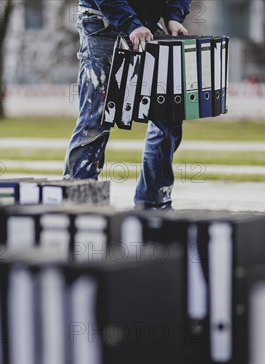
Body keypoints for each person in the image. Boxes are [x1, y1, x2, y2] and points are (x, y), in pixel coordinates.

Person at [64, 0, 191, 210]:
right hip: (101, 21)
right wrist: (130, 23)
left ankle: (153, 204)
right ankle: (79, 207)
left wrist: (174, 16)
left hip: (147, 25)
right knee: (95, 121)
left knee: (169, 114)